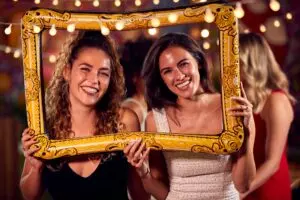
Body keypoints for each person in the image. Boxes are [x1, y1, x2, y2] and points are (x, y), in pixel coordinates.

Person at [124, 32, 256, 200]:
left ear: (199, 62)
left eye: (183, 64)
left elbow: (244, 185)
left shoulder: (232, 108)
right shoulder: (155, 119)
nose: (179, 76)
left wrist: (246, 137)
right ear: (162, 78)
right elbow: (162, 193)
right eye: (168, 71)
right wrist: (144, 173)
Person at [20, 31, 148, 200]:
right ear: (67, 72)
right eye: (85, 69)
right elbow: (29, 195)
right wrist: (35, 166)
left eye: (103, 73)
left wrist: (143, 171)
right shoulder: (44, 125)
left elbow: (140, 196)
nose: (94, 80)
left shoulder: (125, 121)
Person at [238, 33, 296, 200]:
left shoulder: (276, 100)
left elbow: (273, 163)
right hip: (247, 183)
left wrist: (239, 193)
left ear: (251, 63)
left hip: (267, 188)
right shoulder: (244, 98)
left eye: (237, 62)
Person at [121, 37, 154, 131]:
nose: (152, 80)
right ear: (135, 78)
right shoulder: (132, 109)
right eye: (147, 75)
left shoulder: (146, 105)